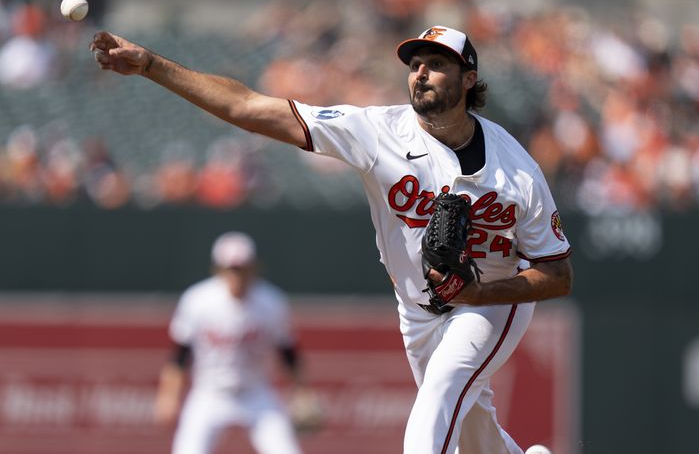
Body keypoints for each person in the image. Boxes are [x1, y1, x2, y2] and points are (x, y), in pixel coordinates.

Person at [93, 24, 574, 454]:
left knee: (442, 391)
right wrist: (152, 65)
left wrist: (482, 293)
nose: (421, 73)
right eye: (415, 64)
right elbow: (247, 107)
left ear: (469, 78)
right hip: (419, 308)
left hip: (491, 303)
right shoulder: (377, 131)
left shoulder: (517, 171)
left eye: (438, 64)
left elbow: (557, 274)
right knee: (471, 428)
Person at [154, 231, 305, 454]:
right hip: (209, 393)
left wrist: (302, 393)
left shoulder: (271, 302)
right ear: (218, 270)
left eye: (242, 269)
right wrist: (168, 395)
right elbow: (180, 355)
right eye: (231, 269)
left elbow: (288, 353)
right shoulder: (198, 301)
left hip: (256, 392)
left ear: (254, 268)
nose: (237, 276)